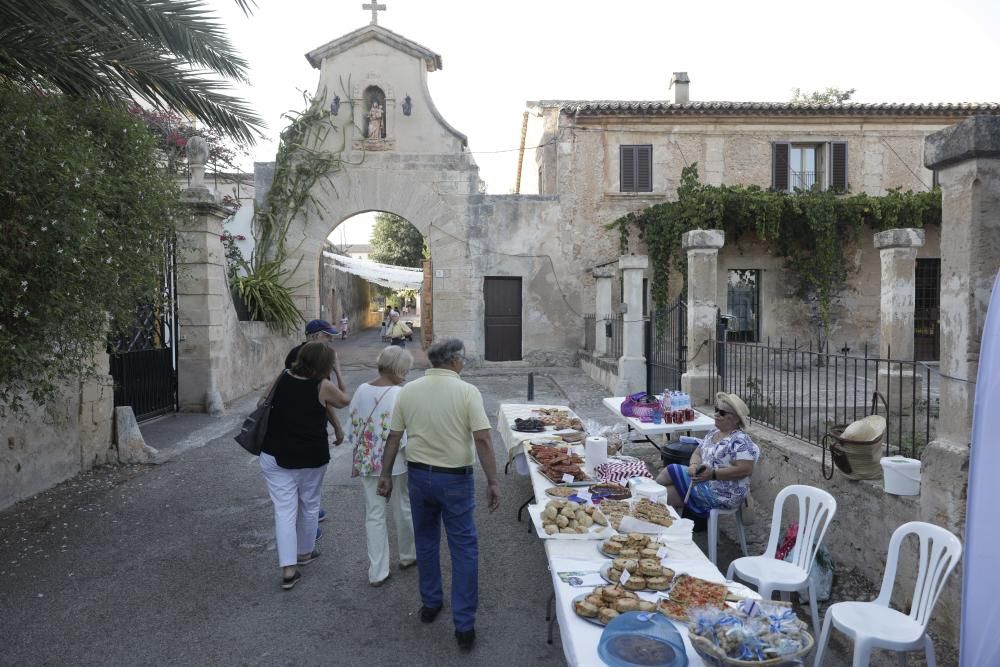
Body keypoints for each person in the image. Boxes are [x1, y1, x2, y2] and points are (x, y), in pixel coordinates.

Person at [377, 338, 500, 651]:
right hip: (455, 480)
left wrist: (385, 475)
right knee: (463, 547)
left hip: (419, 476)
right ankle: (464, 624)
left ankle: (431, 603)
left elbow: (393, 437)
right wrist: (493, 480)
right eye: (463, 358)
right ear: (455, 360)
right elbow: (483, 439)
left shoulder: (409, 391)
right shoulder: (466, 391)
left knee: (427, 541)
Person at [259, 342, 351, 590]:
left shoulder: (282, 379)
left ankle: (289, 569)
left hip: (275, 454)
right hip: (311, 456)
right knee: (310, 504)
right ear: (324, 364)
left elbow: (261, 403)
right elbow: (345, 400)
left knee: (284, 510)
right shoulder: (322, 385)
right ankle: (305, 553)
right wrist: (339, 372)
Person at [348, 346, 417, 586]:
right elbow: (405, 431)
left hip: (368, 460)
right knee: (403, 506)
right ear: (398, 369)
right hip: (396, 461)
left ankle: (377, 571)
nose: (406, 375)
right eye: (405, 370)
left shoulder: (361, 390)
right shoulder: (401, 393)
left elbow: (353, 426)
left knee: (374, 514)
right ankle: (408, 555)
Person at [656, 392, 759, 518]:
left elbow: (746, 469)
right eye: (716, 410)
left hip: (723, 493)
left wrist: (713, 474)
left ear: (735, 419)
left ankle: (643, 501)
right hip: (703, 483)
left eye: (722, 413)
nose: (716, 414)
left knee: (669, 472)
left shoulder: (739, 440)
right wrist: (693, 466)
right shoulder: (713, 433)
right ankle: (645, 504)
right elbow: (698, 452)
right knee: (665, 493)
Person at [286, 320, 346, 446]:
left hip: (289, 426)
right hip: (312, 431)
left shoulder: (293, 353)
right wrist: (337, 427)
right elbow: (330, 400)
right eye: (328, 336)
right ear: (316, 336)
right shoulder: (319, 359)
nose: (331, 340)